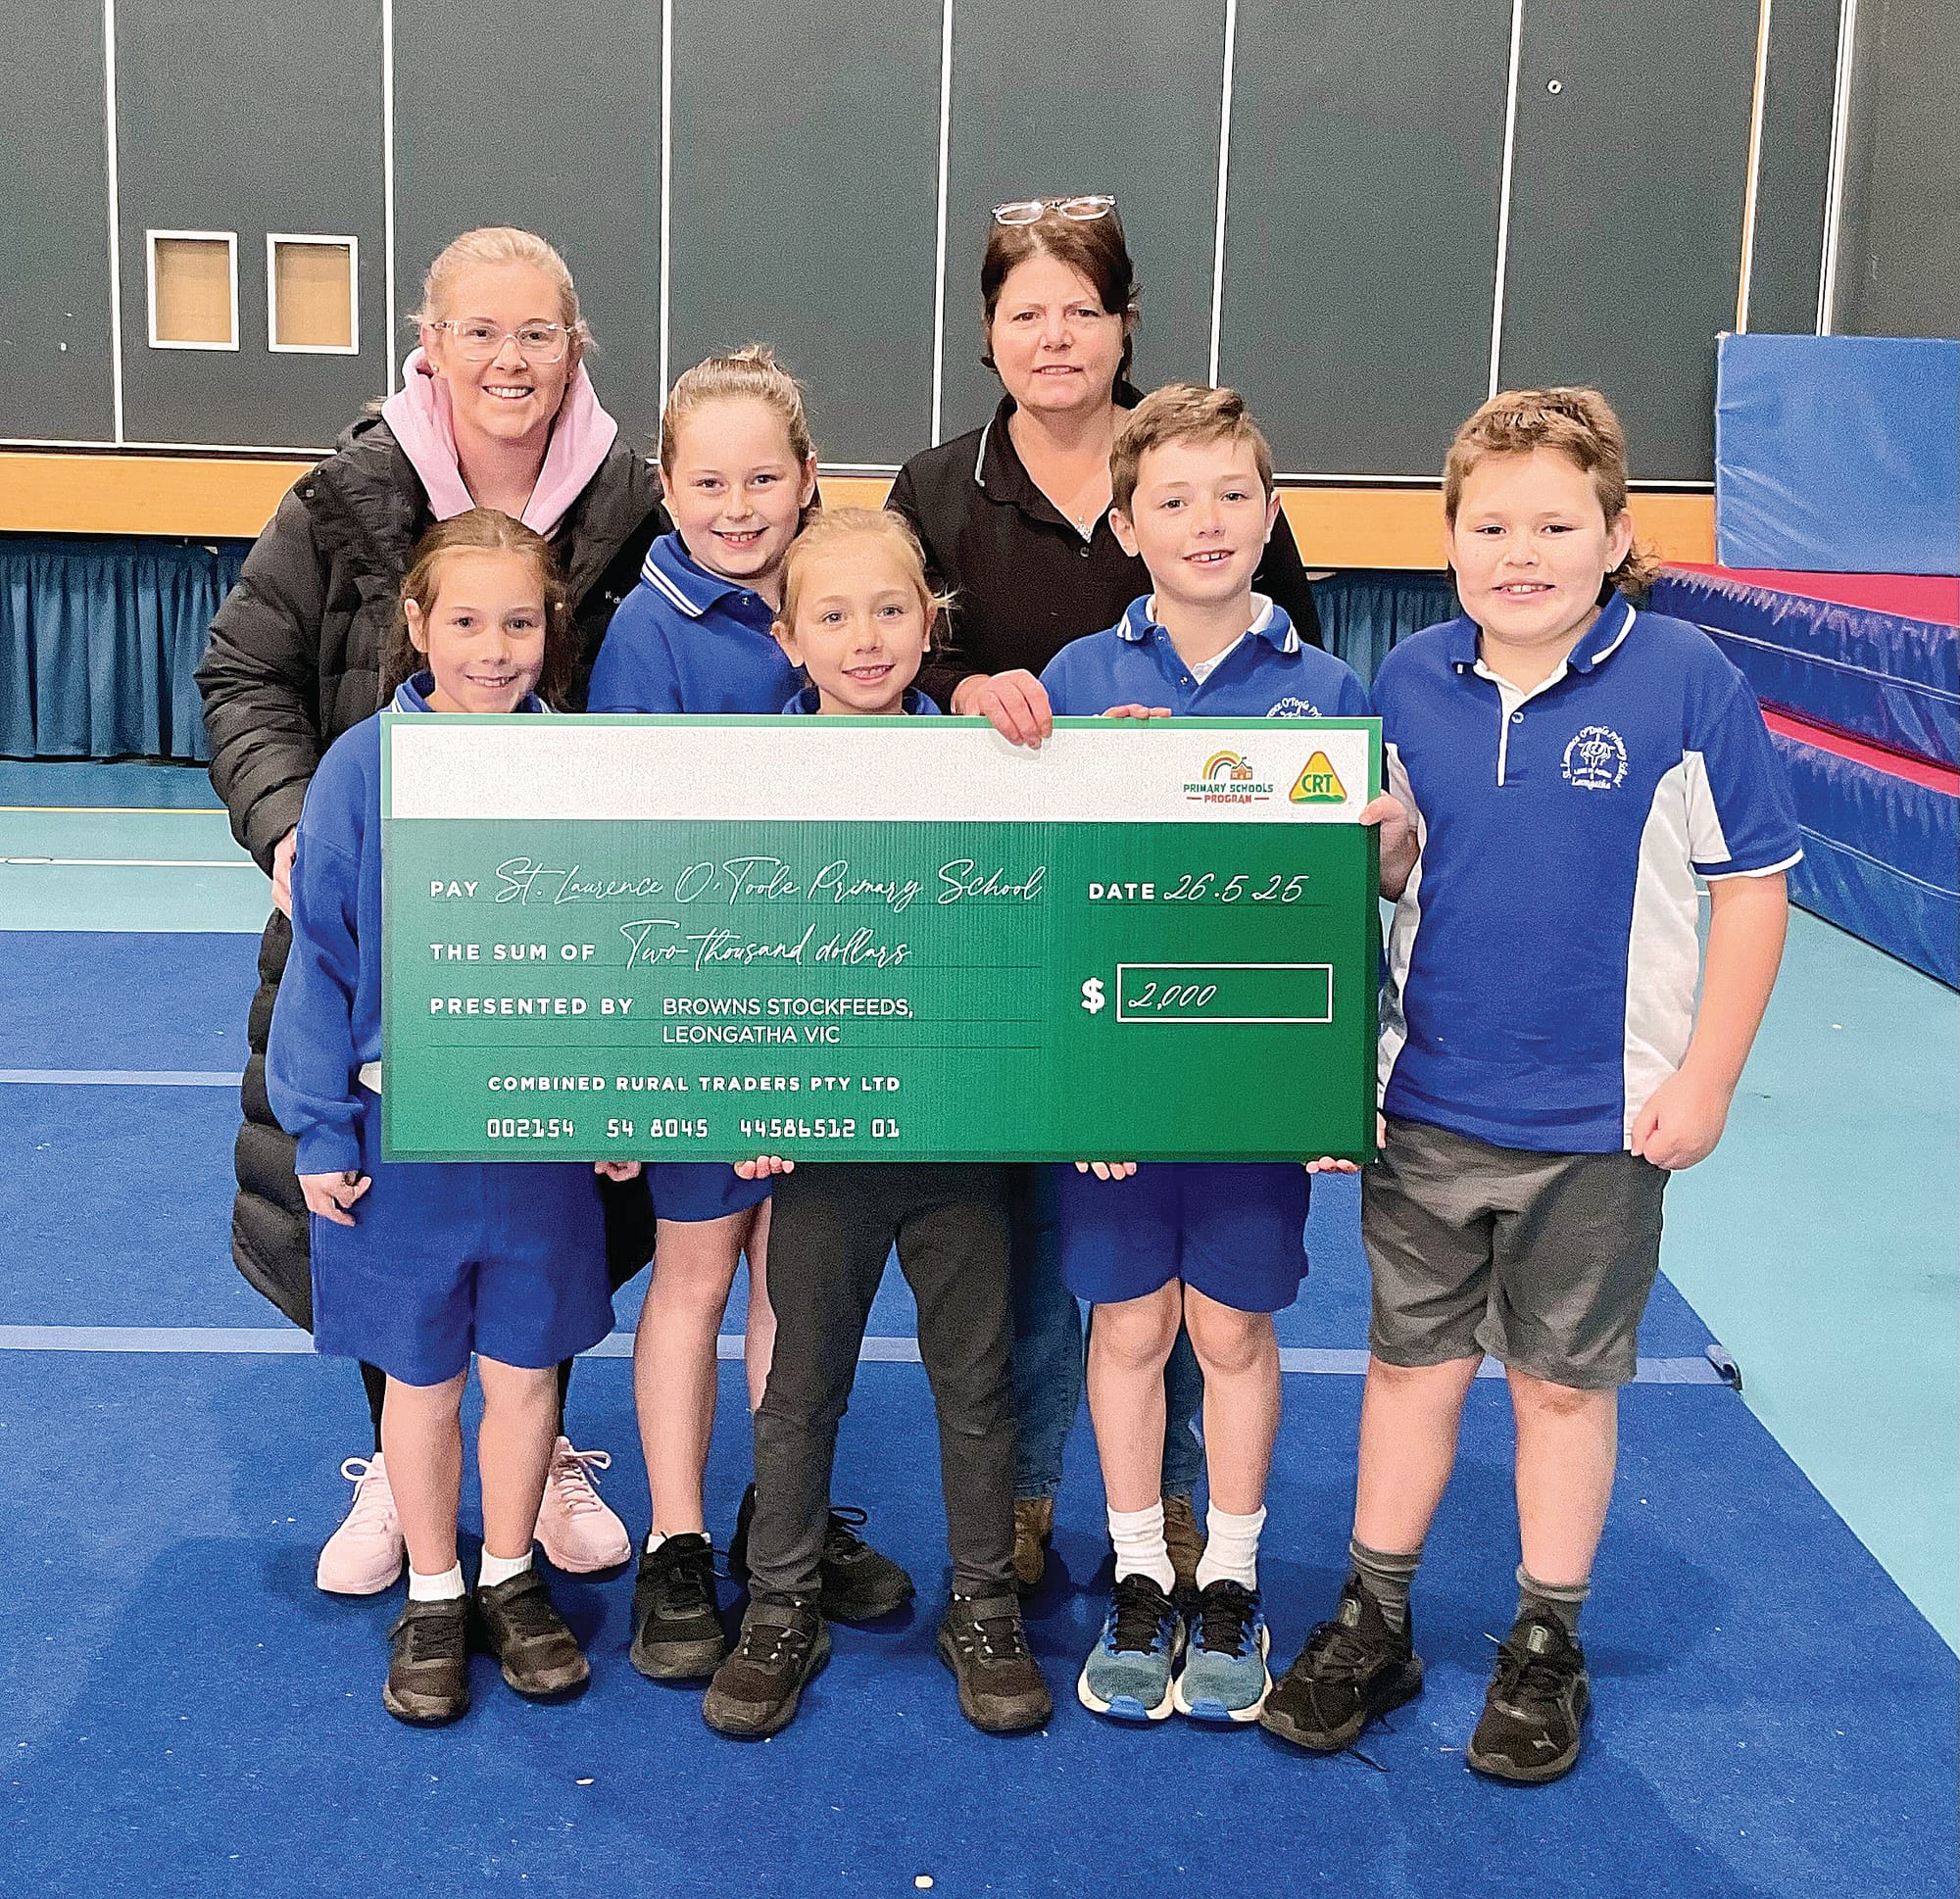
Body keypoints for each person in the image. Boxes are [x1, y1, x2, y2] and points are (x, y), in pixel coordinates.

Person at [1260, 388, 1799, 1781]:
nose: (1521, 553)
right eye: (1491, 526)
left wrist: (1708, 1077)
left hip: (1599, 1127)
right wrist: (1378, 865)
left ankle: (1545, 1637)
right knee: (1407, 1369)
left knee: (1560, 1388)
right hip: (1426, 1109)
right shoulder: (1408, 680)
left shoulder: (1684, 678)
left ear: (1615, 537)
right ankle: (1376, 1618)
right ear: (1447, 540)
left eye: (1557, 526)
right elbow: (1393, 879)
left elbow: (1751, 888)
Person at [197, 228, 664, 1596]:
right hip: (377, 922)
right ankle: (400, 1473)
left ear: (575, 348)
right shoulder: (340, 497)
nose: (510, 359)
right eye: (481, 332)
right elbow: (244, 674)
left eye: (538, 333)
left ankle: (540, 1448)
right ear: (431, 345)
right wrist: (292, 826)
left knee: (544, 1232)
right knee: (382, 1232)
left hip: (559, 954)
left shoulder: (635, 505)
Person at [888, 195, 1323, 1591]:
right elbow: (888, 656)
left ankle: (1183, 1508)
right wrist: (969, 690)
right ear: (987, 331)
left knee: (1192, 1275)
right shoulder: (934, 491)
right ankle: (1025, 1496)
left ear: (1127, 323)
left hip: (1188, 944)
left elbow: (1293, 706)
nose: (1055, 336)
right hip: (1018, 935)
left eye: (1083, 309)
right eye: (1026, 312)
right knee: (1038, 1249)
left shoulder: (1198, 467)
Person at [268, 510, 643, 1724]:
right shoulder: (359, 766)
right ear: (417, 624)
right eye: (467, 621)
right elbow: (322, 955)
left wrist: (617, 1096)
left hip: (537, 1143)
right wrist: (321, 1127)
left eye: (519, 623)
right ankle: (434, 1591)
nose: (493, 649)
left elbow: (617, 945)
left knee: (527, 1377)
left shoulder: (580, 769)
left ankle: (509, 1574)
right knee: (421, 1386)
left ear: (553, 629)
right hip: (400, 1145)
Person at [1035, 385, 1369, 1725]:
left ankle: (1226, 1574)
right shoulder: (1075, 681)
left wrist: (1332, 1083)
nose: (1207, 521)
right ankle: (1136, 1570)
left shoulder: (1325, 691)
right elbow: (1039, 894)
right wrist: (1079, 1082)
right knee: (1127, 1324)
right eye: (1171, 499)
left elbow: (1347, 907)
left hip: (1251, 1085)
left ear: (1272, 512)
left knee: (1230, 1325)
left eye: (1233, 494)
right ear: (1126, 526)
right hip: (1117, 1083)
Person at [587, 351, 910, 1680]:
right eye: (710, 482)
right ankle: (675, 1543)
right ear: (666, 489)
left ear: (808, 477)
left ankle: (782, 1518)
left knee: (796, 1283)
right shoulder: (647, 630)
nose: (738, 506)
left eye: (764, 478)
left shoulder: (844, 605)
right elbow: (628, 854)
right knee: (695, 1273)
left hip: (829, 1025)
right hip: (702, 1022)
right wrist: (671, 1052)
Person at [701, 510, 1051, 1740]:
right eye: (834, 616)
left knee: (978, 1384)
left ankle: (983, 1601)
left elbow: (1038, 935)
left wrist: (1088, 1094)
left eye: (890, 610)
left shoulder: (992, 764)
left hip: (960, 1143)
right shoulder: (751, 780)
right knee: (800, 1385)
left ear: (930, 622)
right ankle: (780, 1602)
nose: (865, 638)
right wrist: (747, 1095)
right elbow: (721, 948)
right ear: (787, 638)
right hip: (821, 1151)